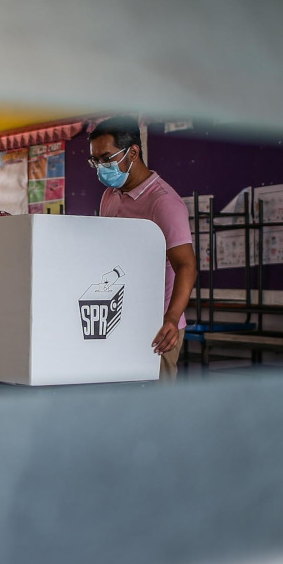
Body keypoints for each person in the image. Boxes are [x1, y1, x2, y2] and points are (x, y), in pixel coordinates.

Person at [88, 116, 197, 382]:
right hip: (119, 317)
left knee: (156, 409)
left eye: (106, 158)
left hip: (157, 327)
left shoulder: (163, 203)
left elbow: (186, 266)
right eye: (95, 161)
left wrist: (171, 319)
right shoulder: (110, 196)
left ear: (133, 152)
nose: (101, 167)